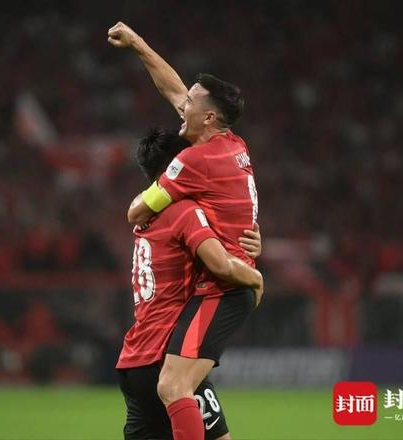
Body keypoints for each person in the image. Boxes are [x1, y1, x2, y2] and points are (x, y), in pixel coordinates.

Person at [109, 22, 260, 440]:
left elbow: (136, 211)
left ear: (208, 117)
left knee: (173, 387)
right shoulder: (235, 145)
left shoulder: (191, 168)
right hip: (221, 282)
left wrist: (252, 275)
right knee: (188, 402)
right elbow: (173, 88)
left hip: (222, 285)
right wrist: (139, 45)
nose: (181, 105)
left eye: (190, 103)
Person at [117, 128, 263, 440]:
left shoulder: (145, 215)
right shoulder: (183, 211)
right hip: (168, 354)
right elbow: (220, 264)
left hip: (134, 359)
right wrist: (255, 276)